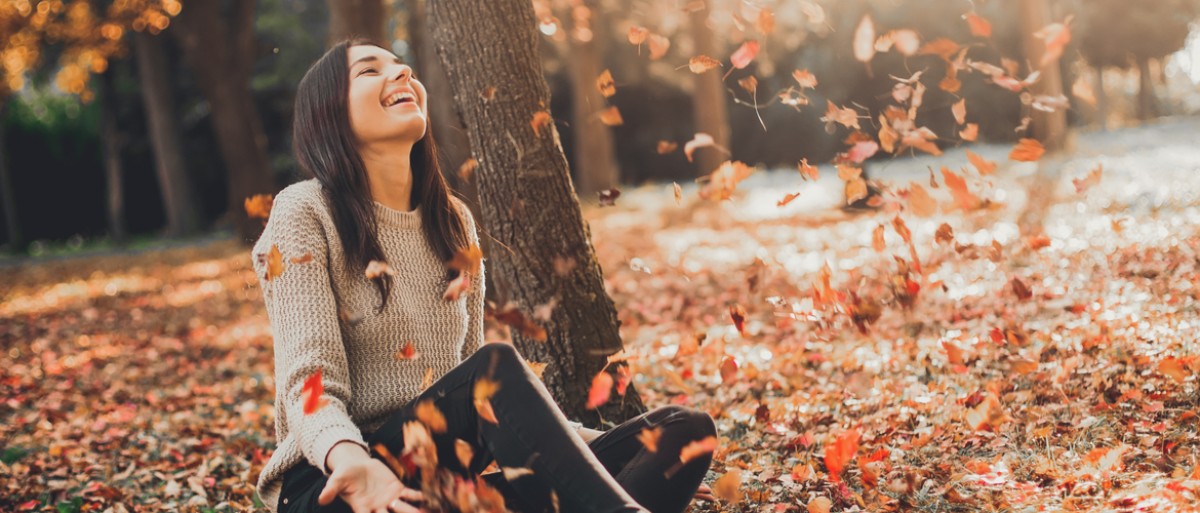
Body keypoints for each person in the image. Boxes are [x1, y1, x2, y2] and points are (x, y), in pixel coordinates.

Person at [251, 39, 716, 513]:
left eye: (401, 65)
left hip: (443, 486)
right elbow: (308, 383)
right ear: (328, 114)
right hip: (338, 484)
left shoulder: (452, 222)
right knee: (492, 368)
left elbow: (478, 396)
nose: (402, 72)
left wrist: (599, 454)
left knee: (682, 430)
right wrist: (351, 459)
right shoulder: (303, 210)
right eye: (369, 71)